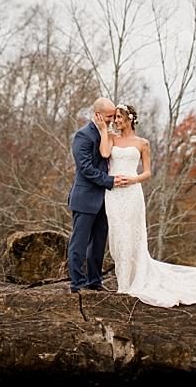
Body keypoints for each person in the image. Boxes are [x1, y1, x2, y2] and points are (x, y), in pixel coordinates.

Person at [98, 103, 196, 307]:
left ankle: (126, 286)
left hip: (132, 193)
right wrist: (103, 131)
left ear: (130, 119)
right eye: (115, 117)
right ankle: (123, 279)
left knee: (131, 235)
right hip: (114, 193)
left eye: (120, 117)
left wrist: (133, 180)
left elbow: (147, 172)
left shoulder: (142, 143)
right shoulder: (112, 138)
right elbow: (104, 154)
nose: (116, 121)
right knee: (118, 235)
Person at [66, 97, 127, 293]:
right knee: (79, 243)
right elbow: (85, 168)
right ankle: (77, 283)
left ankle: (94, 281)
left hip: (106, 200)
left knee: (99, 243)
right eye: (110, 116)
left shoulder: (106, 134)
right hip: (85, 199)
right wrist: (110, 181)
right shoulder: (83, 136)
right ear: (98, 114)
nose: (112, 120)